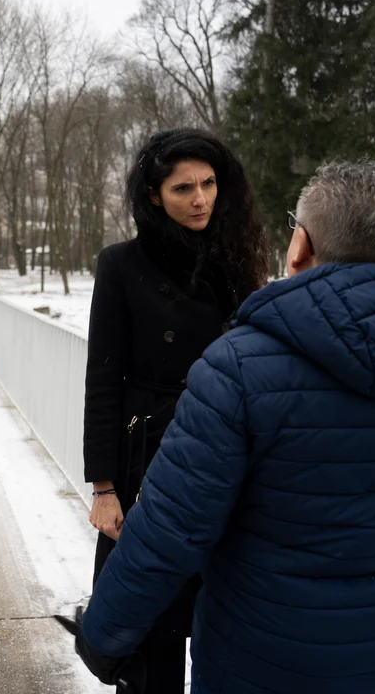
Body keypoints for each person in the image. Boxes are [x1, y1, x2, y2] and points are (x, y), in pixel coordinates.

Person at [74, 160, 375, 694]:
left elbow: (172, 528)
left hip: (255, 653)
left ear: (301, 246)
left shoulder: (238, 366)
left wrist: (103, 636)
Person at [82, 127, 270, 692]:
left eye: (209, 184)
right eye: (184, 187)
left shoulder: (236, 259)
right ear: (154, 195)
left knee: (222, 615)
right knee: (150, 626)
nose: (200, 199)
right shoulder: (121, 264)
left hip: (227, 452)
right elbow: (102, 379)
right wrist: (103, 486)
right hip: (149, 458)